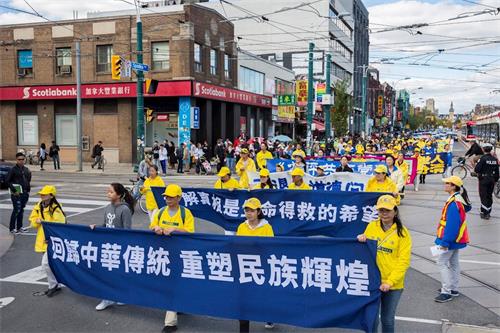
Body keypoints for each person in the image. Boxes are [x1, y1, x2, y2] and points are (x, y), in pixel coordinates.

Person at [357, 195, 412, 333]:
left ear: (395, 211)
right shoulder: (372, 226)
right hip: (373, 282)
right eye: (381, 210)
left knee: (387, 320)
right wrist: (361, 238)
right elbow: (364, 251)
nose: (384, 213)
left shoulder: (403, 233)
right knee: (372, 319)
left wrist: (390, 282)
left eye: (387, 210)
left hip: (393, 285)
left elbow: (403, 261)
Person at [149, 184, 195, 333]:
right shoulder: (161, 212)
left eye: (170, 197)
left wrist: (175, 230)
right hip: (163, 254)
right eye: (166, 196)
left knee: (175, 283)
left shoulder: (185, 213)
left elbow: (190, 232)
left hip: (180, 254)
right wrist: (155, 228)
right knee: (170, 284)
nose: (167, 199)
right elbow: (153, 225)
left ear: (179, 198)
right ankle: (174, 315)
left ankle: (172, 320)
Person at [92, 183, 135, 310]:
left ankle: (121, 295)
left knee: (118, 273)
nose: (108, 194)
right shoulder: (107, 207)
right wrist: (95, 227)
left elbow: (127, 230)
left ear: (119, 195)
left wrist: (123, 246)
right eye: (108, 191)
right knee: (107, 273)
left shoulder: (125, 209)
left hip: (119, 247)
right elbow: (105, 225)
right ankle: (108, 298)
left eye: (111, 192)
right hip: (107, 245)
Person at [236, 198, 275, 332]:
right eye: (247, 210)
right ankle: (244, 329)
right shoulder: (242, 226)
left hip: (261, 267)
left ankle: (269, 316)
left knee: (263, 295)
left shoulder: (266, 227)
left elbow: (270, 248)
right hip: (244, 267)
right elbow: (237, 245)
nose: (249, 213)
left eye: (252, 210)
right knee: (244, 298)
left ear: (258, 211)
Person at [435, 176, 471, 303]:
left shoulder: (454, 202)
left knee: (441, 262)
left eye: (447, 183)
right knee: (454, 263)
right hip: (457, 238)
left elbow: (452, 224)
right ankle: (453, 288)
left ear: (453, 186)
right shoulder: (457, 199)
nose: (445, 185)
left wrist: (445, 241)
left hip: (450, 239)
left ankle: (446, 292)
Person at [29, 185, 66, 297]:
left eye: (44, 194)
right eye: (41, 193)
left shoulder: (56, 208)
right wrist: (37, 221)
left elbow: (59, 225)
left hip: (52, 240)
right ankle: (56, 284)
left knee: (45, 264)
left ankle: (53, 285)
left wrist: (43, 221)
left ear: (51, 195)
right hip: (42, 238)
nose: (42, 195)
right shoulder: (39, 206)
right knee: (49, 264)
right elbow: (32, 221)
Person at [6, 152, 32, 234]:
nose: (21, 161)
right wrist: (14, 190)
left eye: (22, 159)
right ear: (16, 160)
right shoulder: (13, 170)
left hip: (24, 193)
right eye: (19, 159)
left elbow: (28, 180)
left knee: (21, 210)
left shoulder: (26, 169)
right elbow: (7, 181)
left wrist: (27, 190)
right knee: (16, 210)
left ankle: (19, 227)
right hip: (16, 194)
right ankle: (12, 228)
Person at [474, 144, 499, 220]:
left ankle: (485, 213)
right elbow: (497, 172)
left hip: (484, 179)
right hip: (492, 179)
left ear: (483, 149)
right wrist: (495, 180)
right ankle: (488, 211)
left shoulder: (483, 159)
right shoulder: (494, 159)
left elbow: (477, 169)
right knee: (489, 196)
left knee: (483, 195)